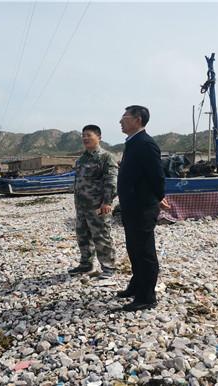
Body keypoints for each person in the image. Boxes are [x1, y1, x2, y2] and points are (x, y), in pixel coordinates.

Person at [116, 105, 165, 311]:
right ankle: (137, 285)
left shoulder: (145, 144)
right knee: (133, 248)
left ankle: (147, 296)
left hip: (142, 207)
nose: (120, 121)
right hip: (131, 206)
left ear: (137, 119)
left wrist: (158, 198)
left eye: (124, 117)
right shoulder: (132, 143)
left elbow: (157, 177)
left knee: (144, 251)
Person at [68, 124, 119, 280]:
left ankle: (108, 267)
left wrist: (107, 202)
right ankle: (86, 263)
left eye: (89, 135)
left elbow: (111, 181)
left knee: (101, 235)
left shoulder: (106, 157)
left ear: (99, 137)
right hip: (81, 206)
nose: (85, 138)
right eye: (83, 135)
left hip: (98, 205)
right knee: (82, 235)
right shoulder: (81, 159)